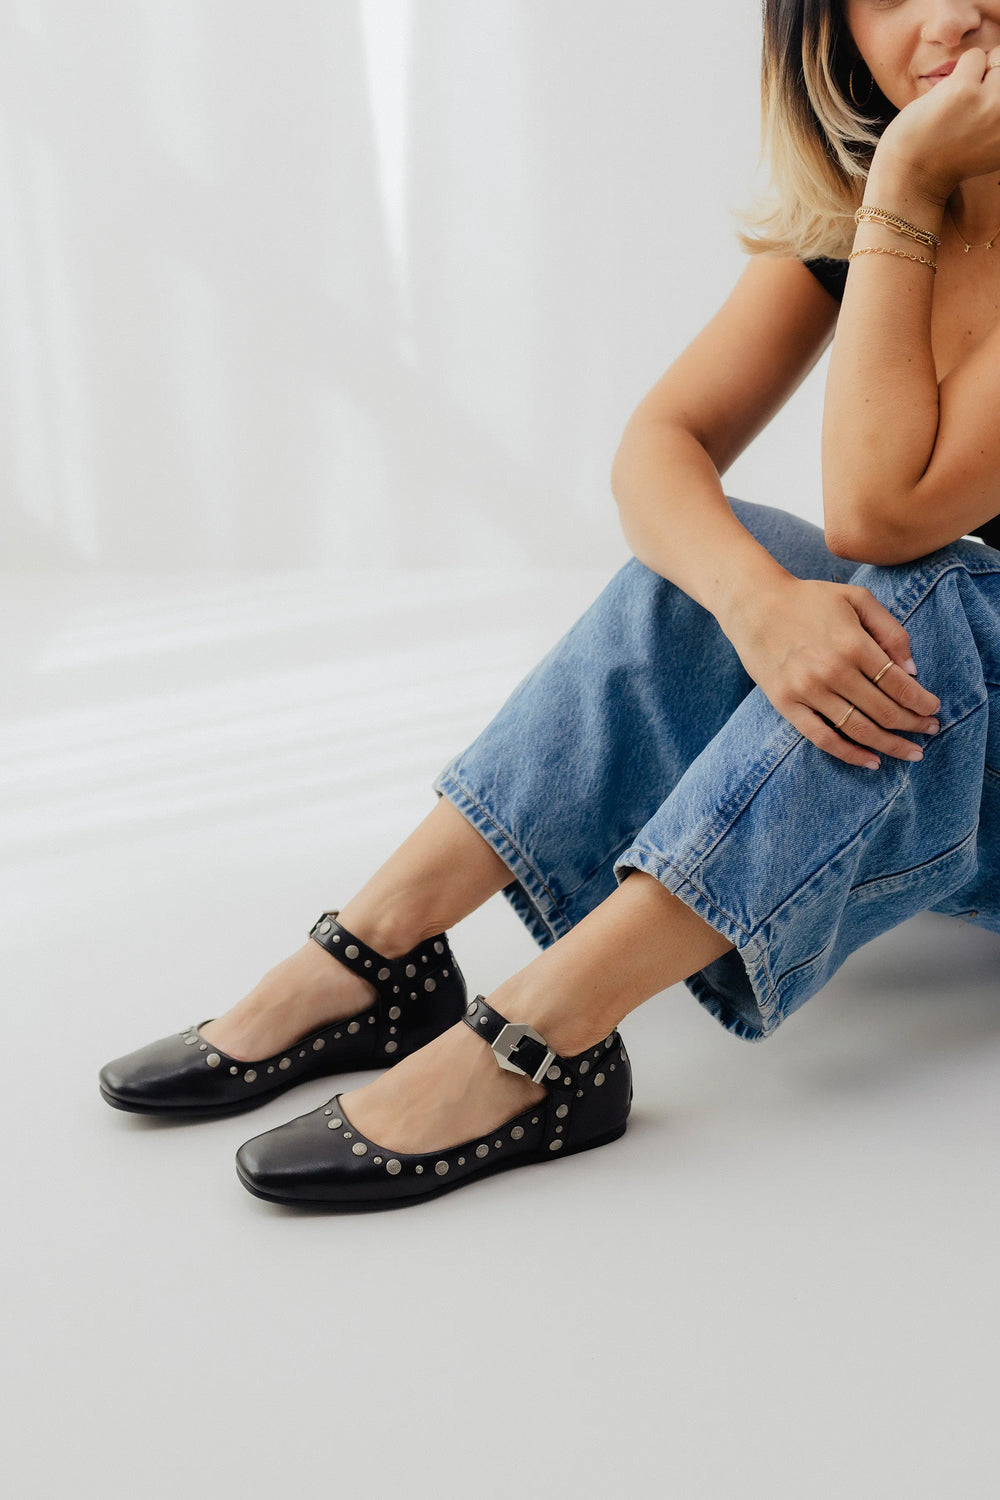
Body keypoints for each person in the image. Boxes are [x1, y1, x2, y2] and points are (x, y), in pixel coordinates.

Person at [100, 0, 1000, 1207]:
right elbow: (657, 448)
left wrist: (899, 184)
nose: (950, 12)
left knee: (923, 591)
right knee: (718, 560)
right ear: (830, 32)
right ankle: (382, 951)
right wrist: (750, 603)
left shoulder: (895, 201)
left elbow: (885, 516)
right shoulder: (869, 221)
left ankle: (543, 1037)